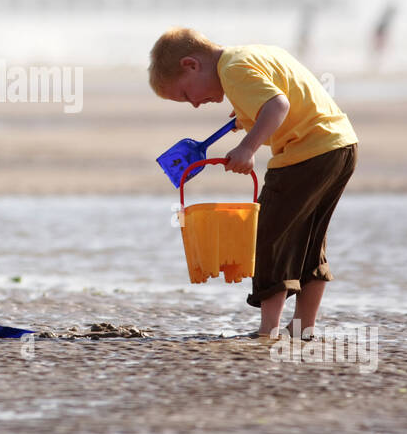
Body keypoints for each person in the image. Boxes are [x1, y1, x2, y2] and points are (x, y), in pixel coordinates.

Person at [149, 27, 358, 341]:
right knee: (310, 242)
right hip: (341, 147)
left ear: (191, 65)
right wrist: (246, 117)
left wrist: (248, 147)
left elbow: (277, 107)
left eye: (185, 94)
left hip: (306, 153)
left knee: (267, 236)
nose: (193, 104)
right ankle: (302, 328)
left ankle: (268, 330)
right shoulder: (252, 54)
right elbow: (283, 96)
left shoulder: (233, 70)